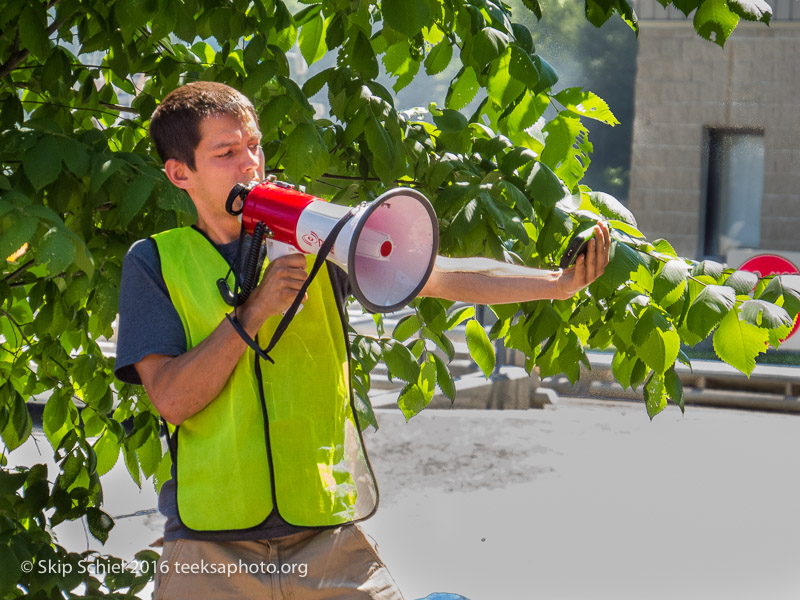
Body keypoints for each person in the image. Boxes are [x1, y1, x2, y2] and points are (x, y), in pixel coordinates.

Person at [114, 81, 610, 600]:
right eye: (227, 152)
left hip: (327, 537)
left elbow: (440, 276)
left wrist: (556, 286)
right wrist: (253, 312)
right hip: (209, 548)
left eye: (255, 146)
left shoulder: (313, 236)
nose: (250, 164)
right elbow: (171, 399)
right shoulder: (154, 261)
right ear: (179, 173)